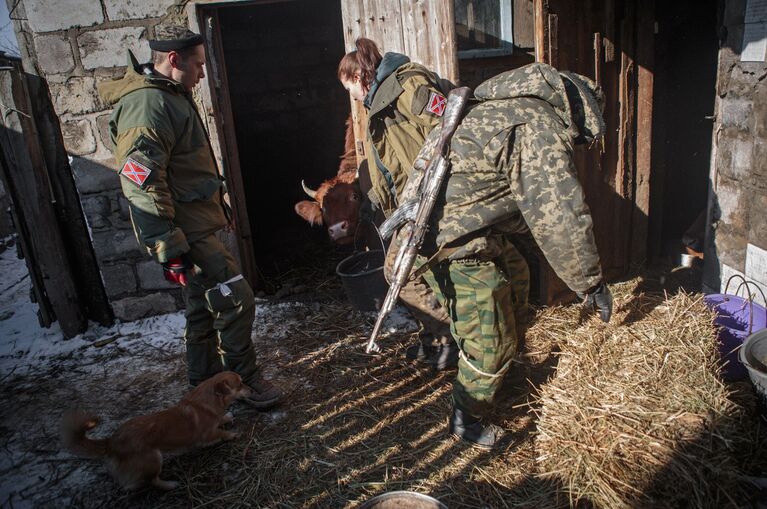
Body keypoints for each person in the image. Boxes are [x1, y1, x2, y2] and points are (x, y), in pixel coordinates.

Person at [341, 39, 613, 449]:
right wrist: (589, 282)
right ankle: (467, 417)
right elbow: (558, 211)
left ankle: (502, 372)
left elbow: (516, 198)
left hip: (462, 222)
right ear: (578, 114)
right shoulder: (536, 127)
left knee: (516, 282)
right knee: (491, 330)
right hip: (447, 234)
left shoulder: (507, 106)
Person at [98, 26, 283, 409]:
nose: (202, 73)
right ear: (173, 60)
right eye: (198, 65)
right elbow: (141, 181)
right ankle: (244, 381)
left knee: (203, 307)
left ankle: (204, 388)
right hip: (183, 231)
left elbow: (185, 169)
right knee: (236, 298)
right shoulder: (149, 105)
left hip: (195, 224)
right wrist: (168, 245)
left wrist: (218, 205)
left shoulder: (173, 96)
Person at [338, 38, 458, 370]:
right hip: (406, 206)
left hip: (429, 200)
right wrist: (372, 203)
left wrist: (432, 183)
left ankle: (451, 340)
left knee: (397, 272)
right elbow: (387, 160)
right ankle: (431, 340)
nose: (353, 97)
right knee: (412, 272)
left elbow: (447, 127)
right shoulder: (377, 100)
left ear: (361, 75)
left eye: (351, 89)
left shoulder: (409, 85)